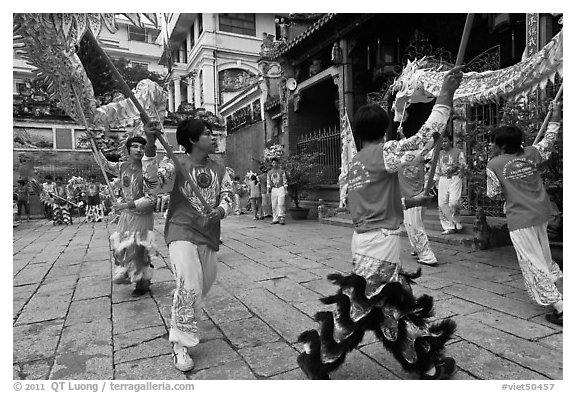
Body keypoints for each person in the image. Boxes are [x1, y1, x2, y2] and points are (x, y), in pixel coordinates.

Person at [296, 66, 463, 380]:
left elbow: (371, 202)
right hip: (379, 244)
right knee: (368, 306)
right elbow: (423, 141)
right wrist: (445, 96)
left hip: (367, 240)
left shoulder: (357, 162)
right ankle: (318, 357)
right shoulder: (382, 153)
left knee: (383, 304)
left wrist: (412, 202)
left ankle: (421, 362)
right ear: (384, 130)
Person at [142, 118, 234, 372]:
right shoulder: (175, 164)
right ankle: (180, 345)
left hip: (209, 234)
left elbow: (228, 195)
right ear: (193, 140)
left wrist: (221, 211)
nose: (213, 138)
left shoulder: (219, 168)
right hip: (181, 231)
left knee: (200, 285)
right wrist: (150, 146)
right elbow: (152, 184)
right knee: (190, 285)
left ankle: (180, 310)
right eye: (207, 134)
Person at [486, 101, 563, 325]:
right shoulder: (532, 153)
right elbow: (549, 138)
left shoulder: (494, 164)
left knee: (532, 261)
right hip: (541, 213)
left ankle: (560, 307)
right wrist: (555, 114)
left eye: (493, 143)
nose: (491, 147)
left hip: (520, 218)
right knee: (543, 256)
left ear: (500, 145)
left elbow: (493, 193)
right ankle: (557, 285)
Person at [98, 136, 158, 297]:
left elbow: (151, 200)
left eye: (142, 147)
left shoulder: (149, 170)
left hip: (142, 215)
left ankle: (142, 283)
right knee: (123, 246)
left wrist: (125, 205)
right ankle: (128, 273)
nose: (139, 150)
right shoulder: (122, 166)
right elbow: (104, 165)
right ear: (128, 149)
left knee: (139, 249)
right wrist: (95, 148)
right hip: (127, 216)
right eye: (135, 146)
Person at [398, 136, 439, 266]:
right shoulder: (421, 154)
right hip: (419, 195)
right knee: (413, 224)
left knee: (414, 226)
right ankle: (417, 248)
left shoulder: (399, 157)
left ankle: (427, 255)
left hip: (413, 197)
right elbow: (432, 146)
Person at [434, 134, 466, 234]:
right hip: (443, 178)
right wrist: (436, 180)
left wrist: (459, 173)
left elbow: (463, 165)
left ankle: (457, 221)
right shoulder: (439, 153)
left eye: (445, 141)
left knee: (454, 202)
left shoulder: (458, 152)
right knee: (442, 203)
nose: (443, 144)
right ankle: (449, 226)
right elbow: (437, 167)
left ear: (451, 141)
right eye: (442, 142)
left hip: (455, 177)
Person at [267, 157, 287, 225]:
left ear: (278, 163)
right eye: (273, 163)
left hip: (281, 188)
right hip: (274, 189)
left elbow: (284, 181)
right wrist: (268, 191)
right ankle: (275, 218)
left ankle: (281, 217)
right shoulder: (269, 173)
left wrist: (286, 189)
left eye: (275, 163)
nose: (274, 164)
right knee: (274, 204)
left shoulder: (281, 172)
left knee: (281, 203)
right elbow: (268, 182)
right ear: (271, 164)